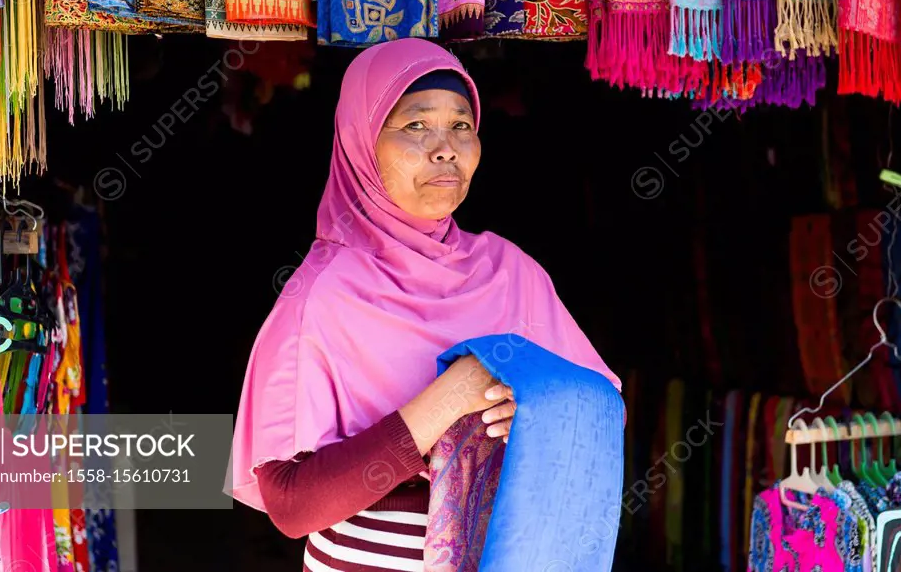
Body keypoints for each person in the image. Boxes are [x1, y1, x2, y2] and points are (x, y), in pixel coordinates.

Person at [228, 38, 621, 571]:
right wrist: (448, 399)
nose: (446, 148)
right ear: (361, 143)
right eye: (416, 126)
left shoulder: (511, 272)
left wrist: (537, 405)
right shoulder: (321, 295)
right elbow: (292, 505)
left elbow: (602, 410)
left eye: (462, 125)